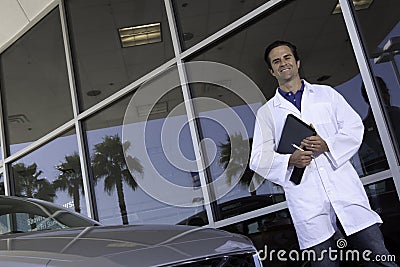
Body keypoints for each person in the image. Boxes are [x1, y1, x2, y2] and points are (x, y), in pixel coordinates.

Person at [250, 40, 397, 266]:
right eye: (276, 61)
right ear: (272, 71)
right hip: (308, 206)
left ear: (297, 62)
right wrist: (290, 159)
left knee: (379, 259)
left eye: (287, 57)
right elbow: (258, 159)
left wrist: (326, 144)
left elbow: (354, 127)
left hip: (346, 194)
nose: (283, 63)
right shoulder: (267, 113)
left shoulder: (326, 94)